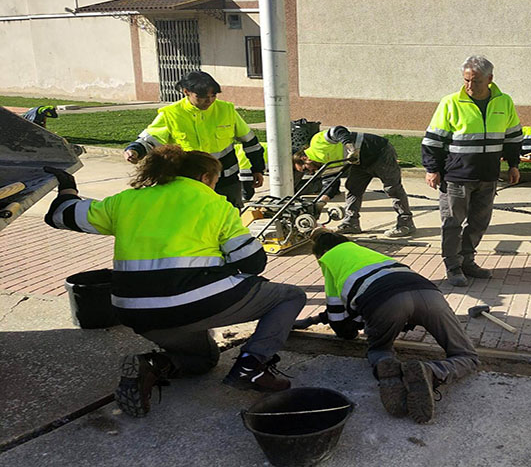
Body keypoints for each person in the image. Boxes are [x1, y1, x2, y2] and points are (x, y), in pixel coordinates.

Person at [43, 145, 306, 417]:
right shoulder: (213, 203)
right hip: (194, 302)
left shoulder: (127, 201)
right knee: (290, 296)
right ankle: (251, 367)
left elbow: (61, 215)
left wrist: (67, 187)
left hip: (133, 311)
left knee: (204, 360)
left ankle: (151, 365)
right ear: (205, 177)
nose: (214, 187)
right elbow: (253, 263)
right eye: (215, 182)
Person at [309, 229, 479, 424]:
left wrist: (348, 332)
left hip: (385, 302)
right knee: (467, 356)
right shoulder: (366, 252)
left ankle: (387, 367)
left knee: (379, 349)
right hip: (429, 294)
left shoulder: (328, 261)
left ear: (320, 254)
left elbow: (339, 318)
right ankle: (432, 371)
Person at [421, 55, 523, 286]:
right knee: (452, 223)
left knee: (478, 223)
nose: (469, 86)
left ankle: (468, 261)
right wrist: (432, 169)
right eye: (466, 80)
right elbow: (432, 140)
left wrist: (513, 165)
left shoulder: (504, 102)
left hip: (488, 176)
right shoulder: (450, 102)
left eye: (475, 81)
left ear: (490, 79)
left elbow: (513, 137)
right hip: (457, 176)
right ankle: (453, 266)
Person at [123, 71, 265, 208]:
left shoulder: (226, 110)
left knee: (230, 220)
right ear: (186, 92)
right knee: (194, 222)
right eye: (202, 96)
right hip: (189, 181)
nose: (209, 100)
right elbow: (150, 140)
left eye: (213, 95)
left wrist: (257, 169)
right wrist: (134, 150)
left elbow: (250, 142)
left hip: (226, 181)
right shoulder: (171, 114)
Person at [293, 126, 415, 238]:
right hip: (359, 162)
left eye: (305, 169)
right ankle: (351, 223)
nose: (310, 172)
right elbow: (331, 184)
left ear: (305, 158)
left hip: (379, 151)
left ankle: (406, 223)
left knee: (392, 189)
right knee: (353, 188)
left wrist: (350, 148)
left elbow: (338, 130)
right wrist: (320, 204)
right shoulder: (324, 166)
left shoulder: (317, 143)